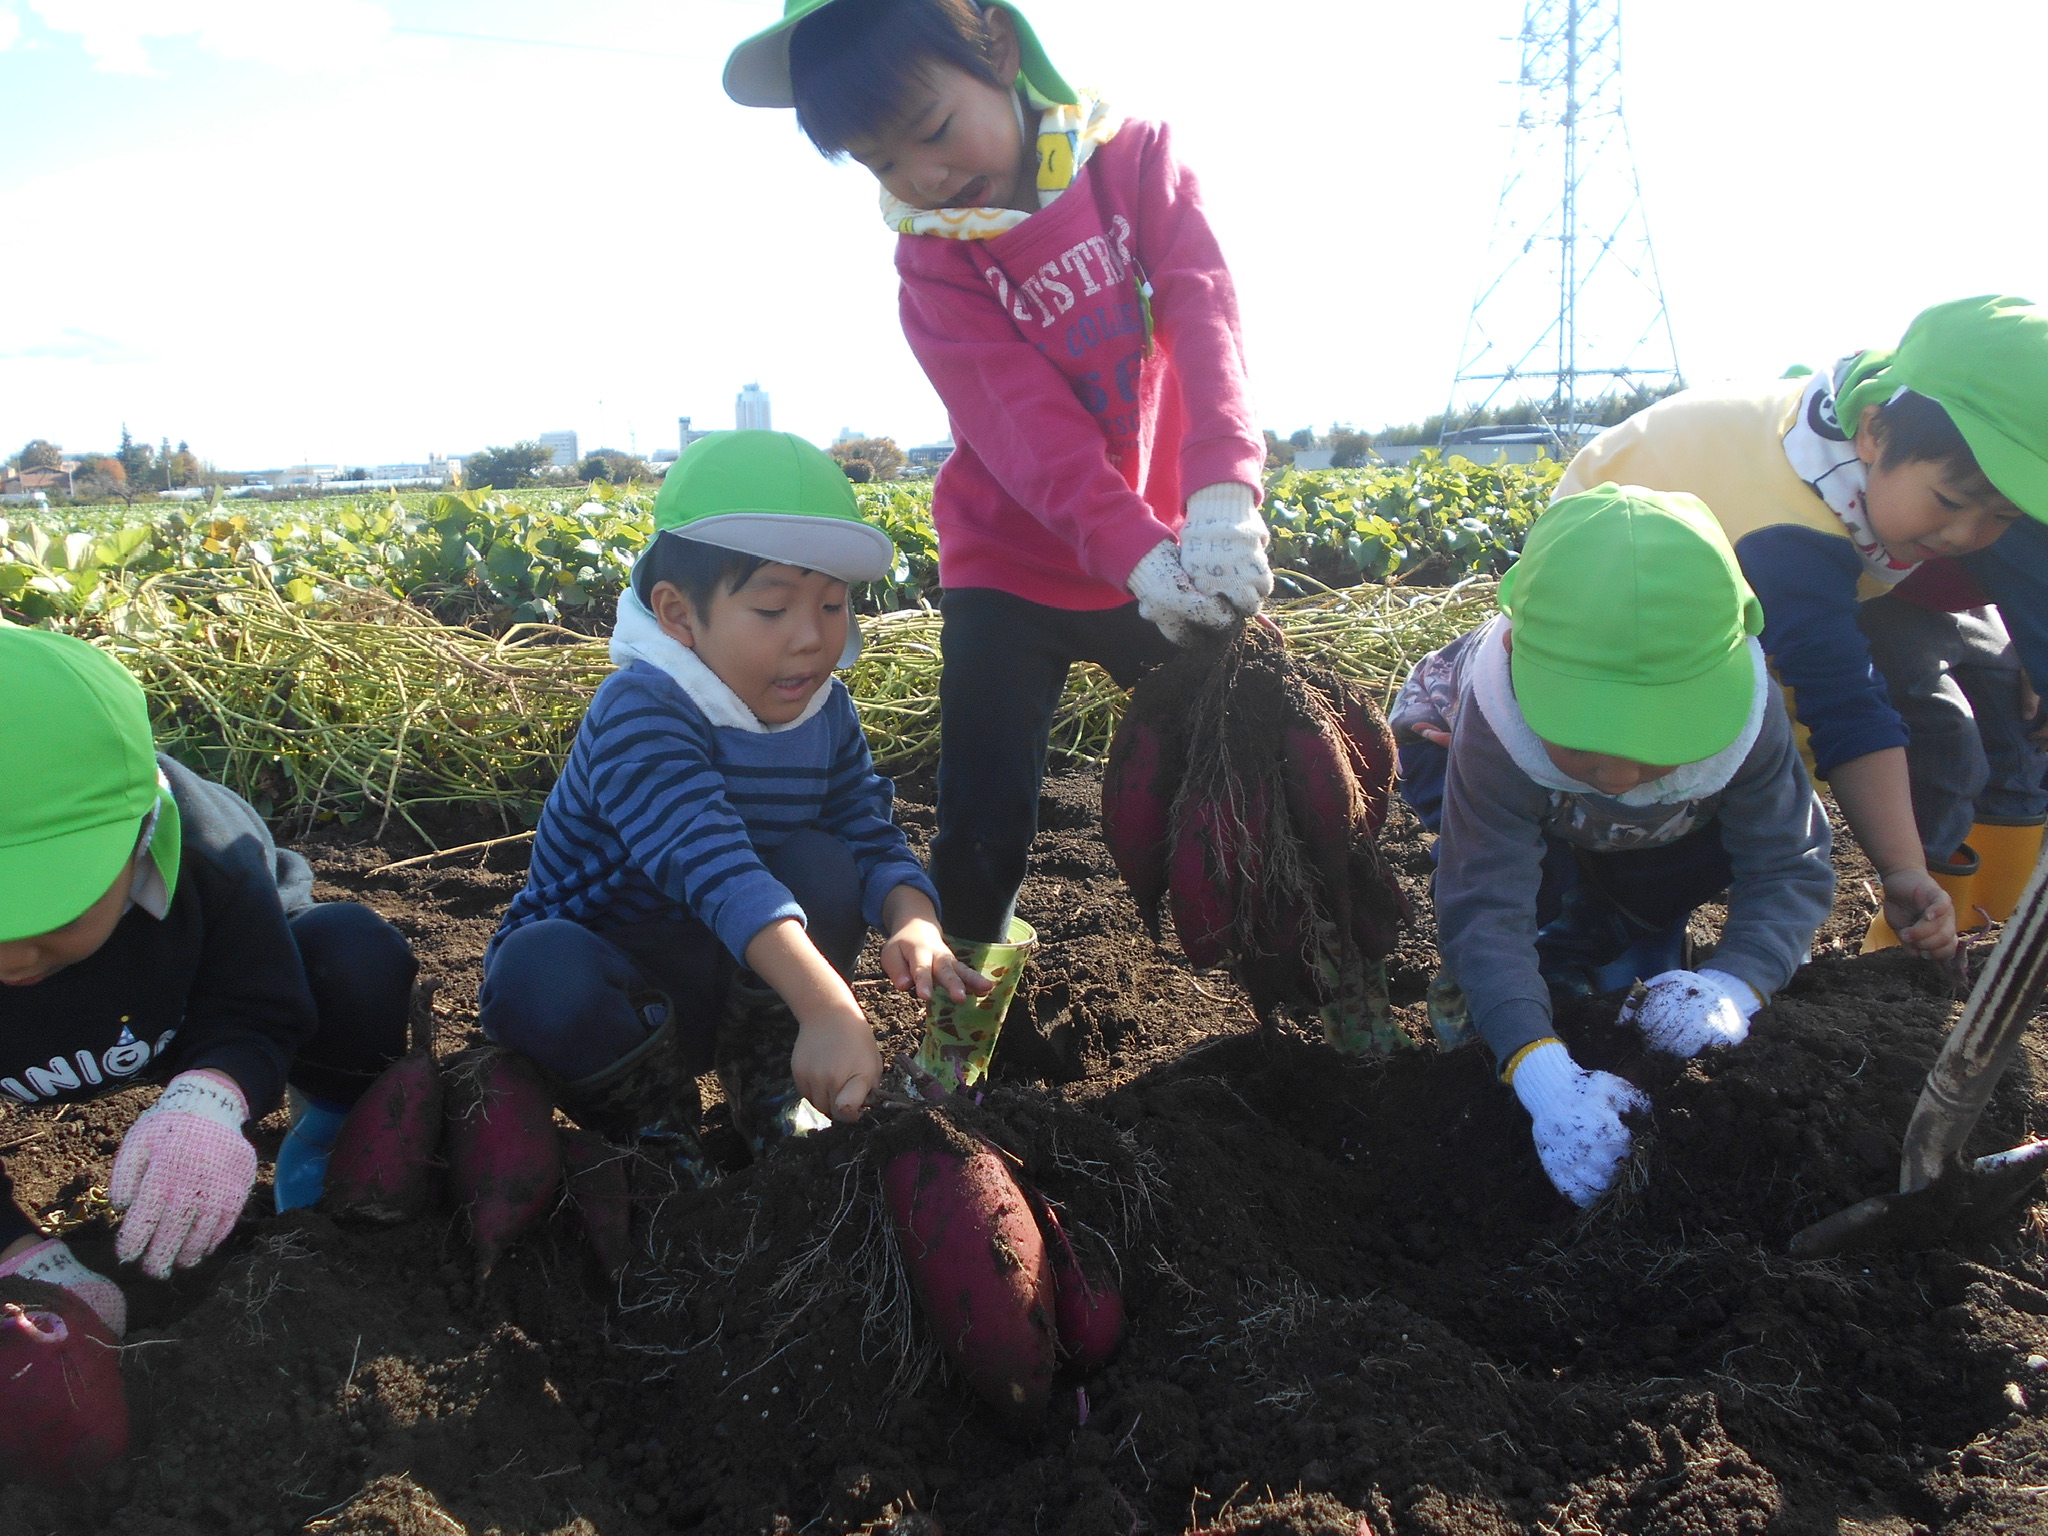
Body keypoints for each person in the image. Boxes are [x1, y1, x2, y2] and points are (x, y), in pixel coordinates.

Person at [722, 0, 1271, 1066]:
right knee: (981, 821)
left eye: (932, 128)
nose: (923, 175)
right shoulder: (935, 265)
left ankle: (1318, 975)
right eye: (881, 159)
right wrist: (1133, 554)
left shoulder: (1134, 164)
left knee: (1249, 758)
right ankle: (965, 1045)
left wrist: (1221, 497)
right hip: (1010, 569)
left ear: (1000, 52)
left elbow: (1206, 314)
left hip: (1169, 550)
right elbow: (1027, 435)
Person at [480, 432, 979, 1169]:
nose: (811, 638)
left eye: (834, 604)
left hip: (731, 984)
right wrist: (828, 1006)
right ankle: (655, 1131)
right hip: (607, 990)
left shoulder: (824, 711)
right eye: (773, 609)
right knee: (539, 967)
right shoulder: (642, 707)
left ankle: (769, 1089)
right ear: (678, 615)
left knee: (825, 860)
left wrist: (917, 923)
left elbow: (869, 834)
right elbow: (712, 865)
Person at [1556, 296, 2048, 958]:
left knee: (1768, 768)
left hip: (1722, 583)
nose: (1968, 535)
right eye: (1951, 503)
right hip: (1611, 600)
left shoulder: (1875, 411)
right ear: (1874, 434)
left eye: (2001, 517)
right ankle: (1599, 920)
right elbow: (1844, 702)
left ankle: (1624, 909)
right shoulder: (1792, 533)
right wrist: (1901, 870)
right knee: (1736, 786)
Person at [1390, 485, 1835, 1207]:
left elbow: (1788, 862)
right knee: (1529, 896)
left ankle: (1608, 923)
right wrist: (1538, 1069)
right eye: (1589, 743)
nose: (1623, 774)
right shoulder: (1497, 717)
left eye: (1660, 743)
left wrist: (1736, 985)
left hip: (1660, 821)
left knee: (1656, 878)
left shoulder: (1748, 720)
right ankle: (1518, 983)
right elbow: (1483, 899)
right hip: (1459, 757)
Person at [0, 627, 416, 1336]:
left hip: (189, 1005)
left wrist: (211, 1096)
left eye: (48, 908)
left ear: (138, 839)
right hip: (36, 1049)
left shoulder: (211, 855)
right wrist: (18, 1255)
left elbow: (257, 1004)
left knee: (349, 957)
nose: (11, 956)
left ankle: (330, 1137)